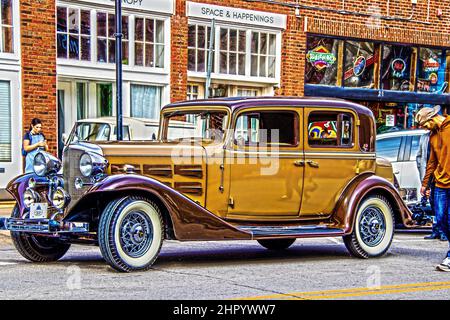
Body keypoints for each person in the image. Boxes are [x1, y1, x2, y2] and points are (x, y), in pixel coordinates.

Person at [415, 106, 450, 271]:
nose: (423, 128)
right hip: (441, 183)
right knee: (442, 220)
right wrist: (425, 183)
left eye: (423, 124)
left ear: (432, 118)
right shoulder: (433, 136)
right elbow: (432, 162)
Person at [416, 131, 447, 240]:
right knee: (434, 206)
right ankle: (436, 231)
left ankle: (444, 232)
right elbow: (419, 157)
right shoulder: (424, 137)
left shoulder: (443, 135)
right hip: (430, 177)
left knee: (443, 207)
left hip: (441, 177)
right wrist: (424, 181)